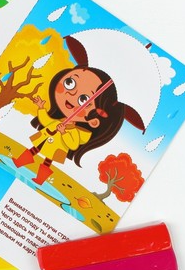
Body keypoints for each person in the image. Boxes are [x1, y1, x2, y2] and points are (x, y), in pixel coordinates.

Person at [12, 66, 145, 184]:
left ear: (94, 121)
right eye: (70, 83)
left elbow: (73, 144)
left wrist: (64, 132)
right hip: (45, 140)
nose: (72, 94)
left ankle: (40, 179)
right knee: (33, 150)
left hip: (57, 149)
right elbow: (46, 121)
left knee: (47, 162)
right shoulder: (61, 119)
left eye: (84, 99)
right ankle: (19, 162)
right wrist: (41, 108)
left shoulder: (77, 131)